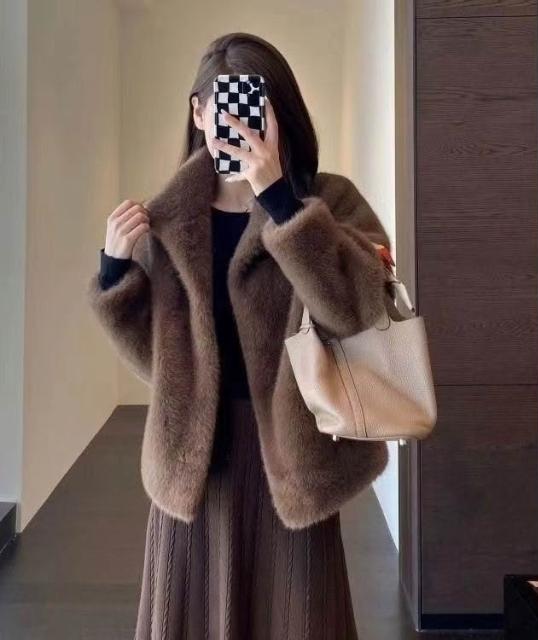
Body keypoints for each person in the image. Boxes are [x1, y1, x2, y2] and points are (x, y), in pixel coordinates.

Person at [87, 32, 393, 640]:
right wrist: (115, 275)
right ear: (198, 113)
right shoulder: (167, 220)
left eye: (257, 104)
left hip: (296, 461)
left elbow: (361, 313)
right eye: (221, 105)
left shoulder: (327, 201)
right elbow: (160, 360)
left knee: (297, 617)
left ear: (281, 114)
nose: (237, 122)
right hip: (195, 461)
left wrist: (281, 203)